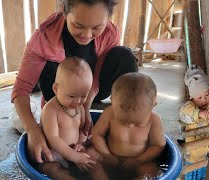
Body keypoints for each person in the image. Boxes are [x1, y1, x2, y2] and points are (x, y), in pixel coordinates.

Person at [11, 0, 138, 164]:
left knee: (124, 56)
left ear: (107, 19)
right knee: (48, 66)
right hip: (62, 96)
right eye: (78, 25)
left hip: (91, 90)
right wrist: (32, 130)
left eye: (96, 27)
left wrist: (85, 105)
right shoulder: (43, 38)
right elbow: (21, 89)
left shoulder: (110, 33)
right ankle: (60, 105)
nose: (86, 34)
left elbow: (98, 74)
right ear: (64, 11)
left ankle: (128, 121)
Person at [39, 57, 107, 179]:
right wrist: (74, 156)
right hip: (55, 155)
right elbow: (53, 138)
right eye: (72, 96)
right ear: (56, 89)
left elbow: (81, 130)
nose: (78, 101)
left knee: (95, 164)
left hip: (76, 150)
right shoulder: (50, 110)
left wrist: (81, 143)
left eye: (83, 96)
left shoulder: (80, 107)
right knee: (51, 170)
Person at [92, 72, 166, 179]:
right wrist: (107, 155)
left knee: (150, 172)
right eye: (122, 121)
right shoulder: (109, 112)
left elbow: (158, 145)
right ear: (112, 101)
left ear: (153, 104)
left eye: (138, 123)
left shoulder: (154, 120)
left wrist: (139, 160)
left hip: (140, 162)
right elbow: (97, 134)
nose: (130, 126)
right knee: (91, 160)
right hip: (109, 157)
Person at [179, 65, 209, 163]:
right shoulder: (189, 106)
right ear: (192, 98)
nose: (204, 100)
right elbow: (183, 113)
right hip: (195, 157)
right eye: (199, 98)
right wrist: (199, 113)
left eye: (207, 95)